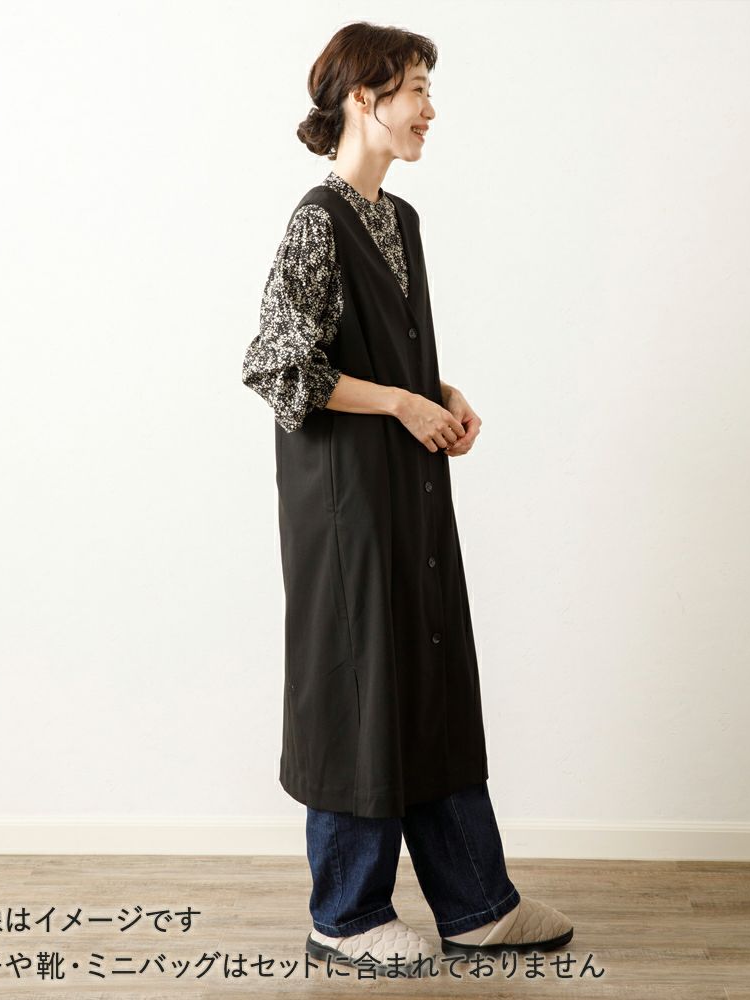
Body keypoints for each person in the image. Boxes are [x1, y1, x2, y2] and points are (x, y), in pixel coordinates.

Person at [241, 21, 573, 978]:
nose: (431, 108)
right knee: (360, 689)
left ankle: (476, 903)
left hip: (406, 498)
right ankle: (345, 914)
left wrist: (440, 395)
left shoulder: (401, 220)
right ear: (365, 99)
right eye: (416, 88)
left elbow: (384, 355)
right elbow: (277, 366)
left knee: (428, 679)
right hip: (347, 509)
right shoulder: (319, 218)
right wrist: (397, 402)